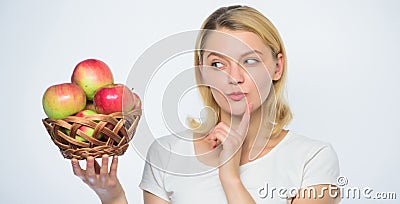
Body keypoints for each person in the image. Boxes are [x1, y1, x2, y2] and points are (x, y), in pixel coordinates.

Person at [71, 5, 341, 204]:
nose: (234, 78)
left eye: (250, 61)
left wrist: (230, 175)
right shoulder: (166, 153)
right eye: (218, 64)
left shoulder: (313, 158)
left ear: (277, 67)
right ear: (202, 71)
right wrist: (112, 195)